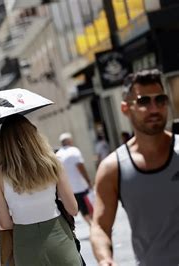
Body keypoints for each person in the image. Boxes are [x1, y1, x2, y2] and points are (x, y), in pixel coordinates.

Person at [91, 69, 179, 265]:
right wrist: (105, 259)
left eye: (160, 100)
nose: (154, 108)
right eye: (144, 101)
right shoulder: (113, 168)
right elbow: (100, 227)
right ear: (125, 108)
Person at [0, 115, 80, 265]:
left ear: (4, 142)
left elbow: (5, 223)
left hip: (25, 242)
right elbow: (73, 208)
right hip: (58, 234)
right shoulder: (52, 162)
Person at [56, 132, 93, 225]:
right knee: (89, 207)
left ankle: (91, 225)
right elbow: (81, 167)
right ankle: (94, 225)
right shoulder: (74, 150)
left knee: (82, 209)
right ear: (70, 141)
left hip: (70, 189)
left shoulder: (58, 155)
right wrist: (88, 181)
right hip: (81, 186)